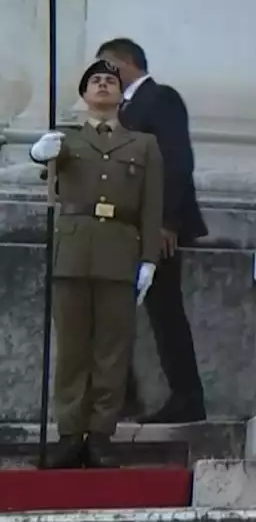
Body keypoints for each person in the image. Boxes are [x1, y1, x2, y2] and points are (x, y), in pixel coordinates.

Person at [28, 59, 163, 468]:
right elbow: (48, 180)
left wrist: (149, 259)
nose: (103, 85)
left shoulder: (143, 145)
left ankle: (101, 434)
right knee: (71, 349)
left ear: (121, 96)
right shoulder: (65, 140)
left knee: (111, 350)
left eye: (110, 80)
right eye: (95, 81)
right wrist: (38, 153)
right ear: (84, 95)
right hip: (72, 250)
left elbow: (152, 206)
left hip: (120, 251)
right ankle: (69, 433)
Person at [97, 38, 208, 424]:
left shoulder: (160, 98)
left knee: (164, 313)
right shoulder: (120, 108)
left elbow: (176, 161)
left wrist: (167, 221)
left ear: (125, 62)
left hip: (157, 226)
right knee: (112, 311)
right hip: (124, 226)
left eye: (107, 66)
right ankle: (124, 396)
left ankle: (187, 397)